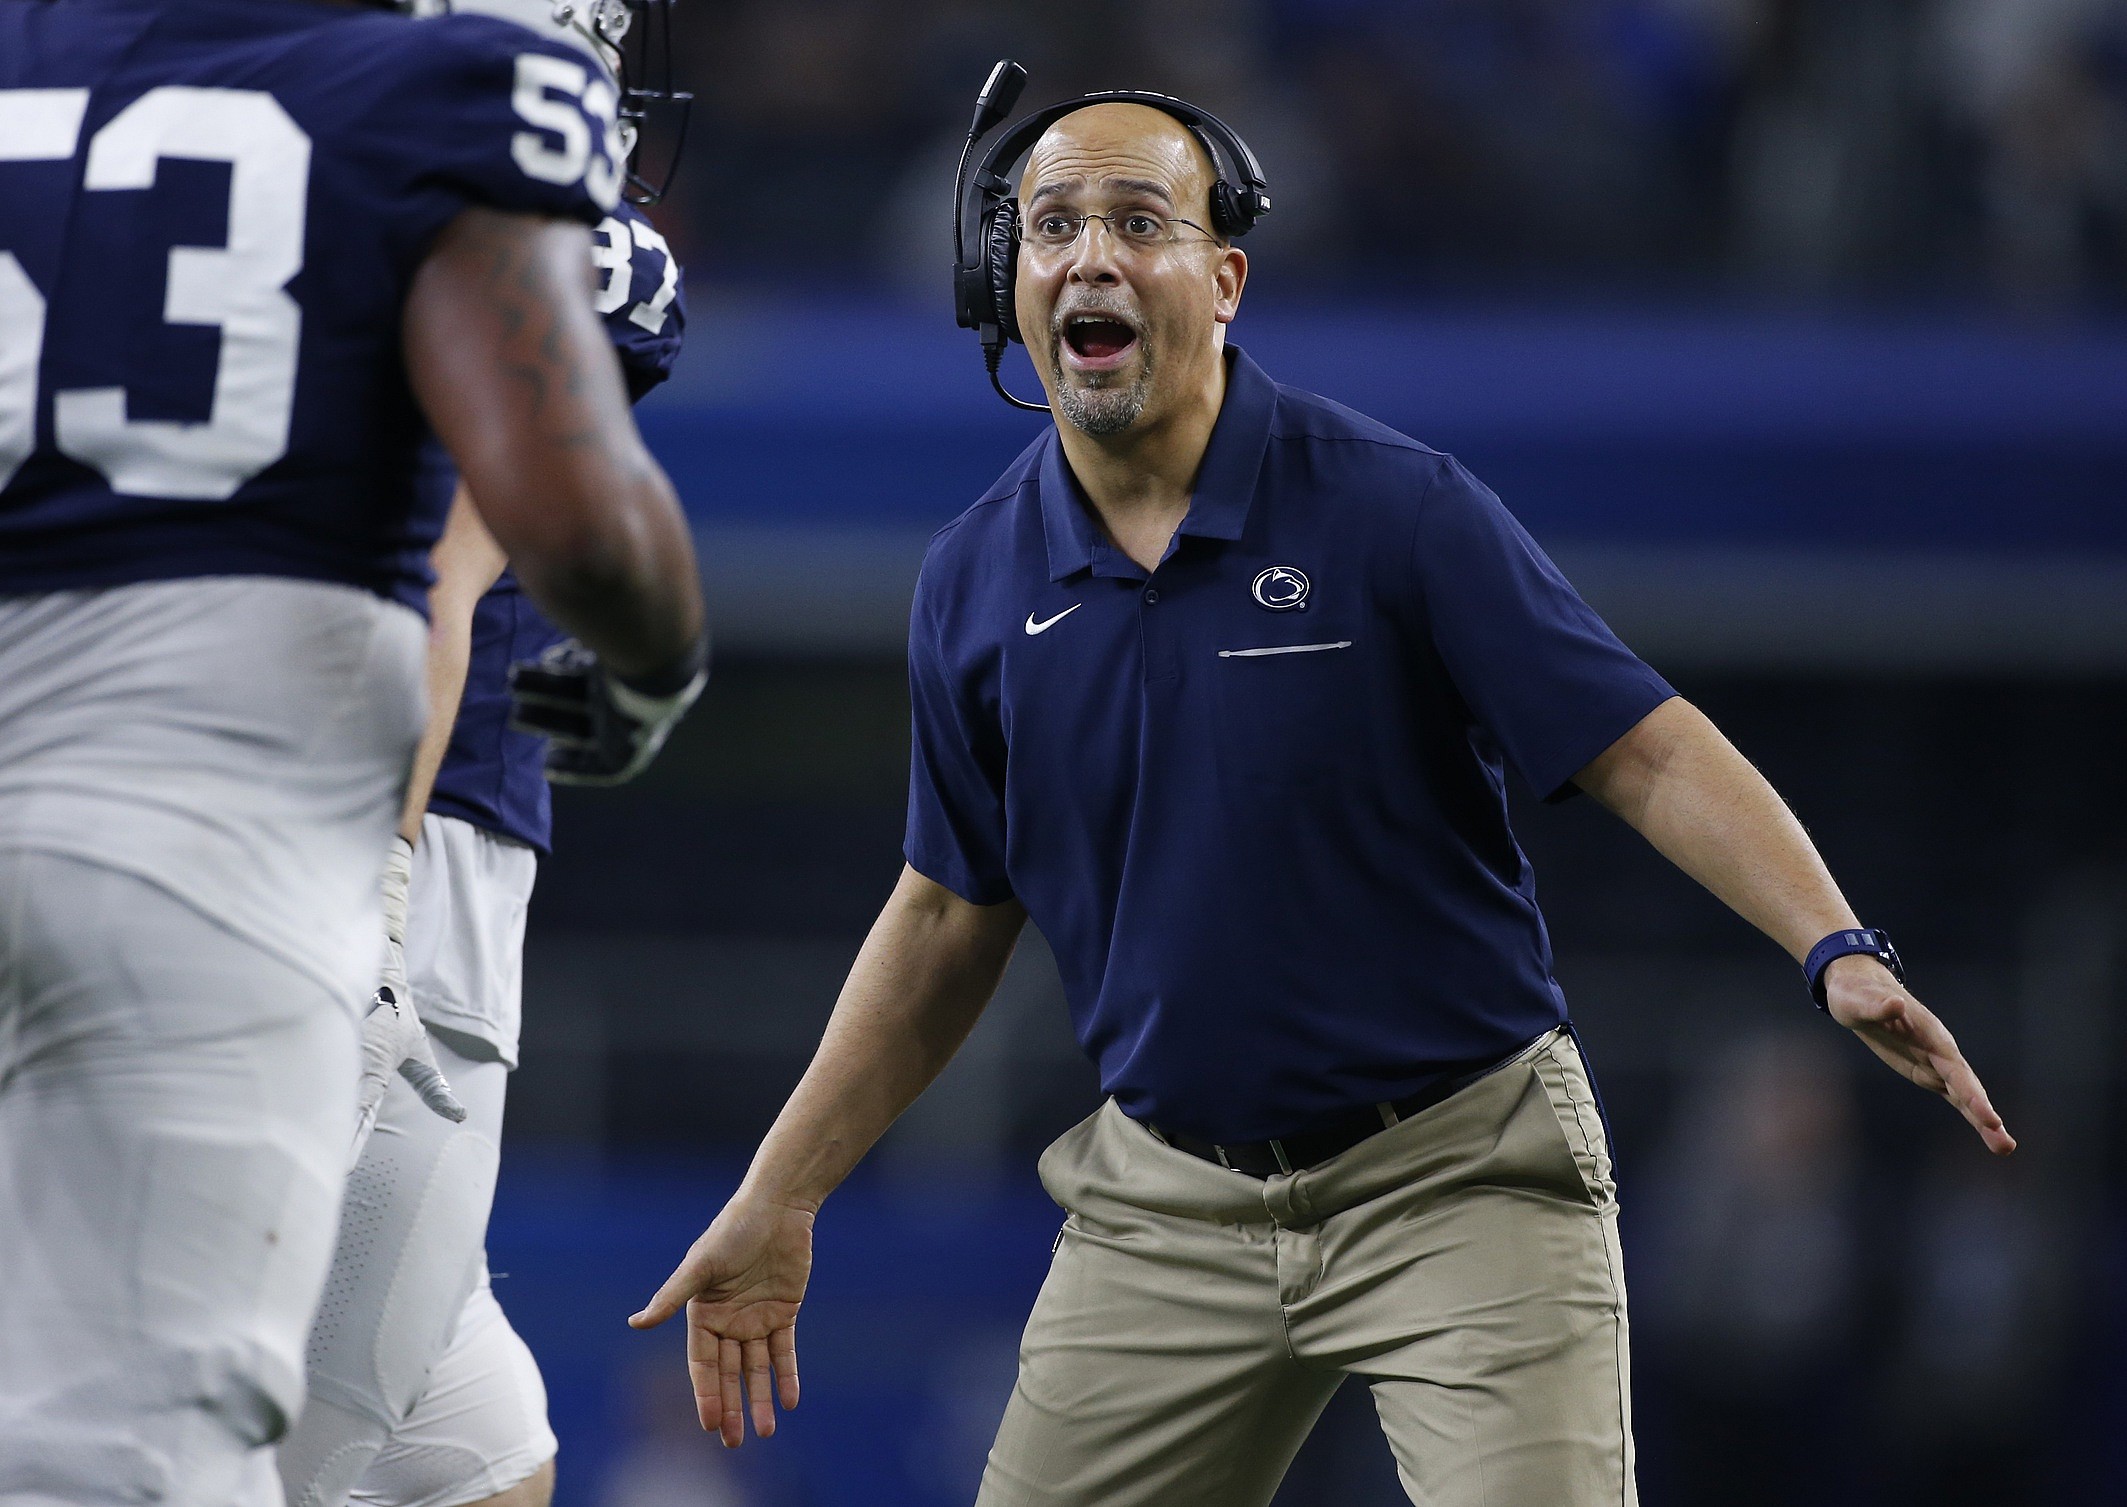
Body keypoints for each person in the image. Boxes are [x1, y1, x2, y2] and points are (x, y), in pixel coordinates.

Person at [627, 97, 2013, 1506]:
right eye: (1052, 228)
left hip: (1459, 1177)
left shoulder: (1395, 508)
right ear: (1005, 284)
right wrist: (782, 1192)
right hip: (1164, 1202)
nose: (1088, 258)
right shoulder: (974, 581)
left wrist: (1834, 945)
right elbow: (941, 914)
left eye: (1138, 224)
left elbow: (1642, 748)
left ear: (1225, 281)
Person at [0, 2, 706, 1503]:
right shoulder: (440, 118)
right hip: (290, 837)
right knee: (187, 1453)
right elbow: (472, 565)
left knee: (480, 1454)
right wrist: (382, 896)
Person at [279, 47, 693, 1507]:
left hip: (290, 824)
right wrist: (377, 906)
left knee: (485, 1461)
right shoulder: (518, 232)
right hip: (406, 861)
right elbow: (436, 583)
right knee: (270, 1466)